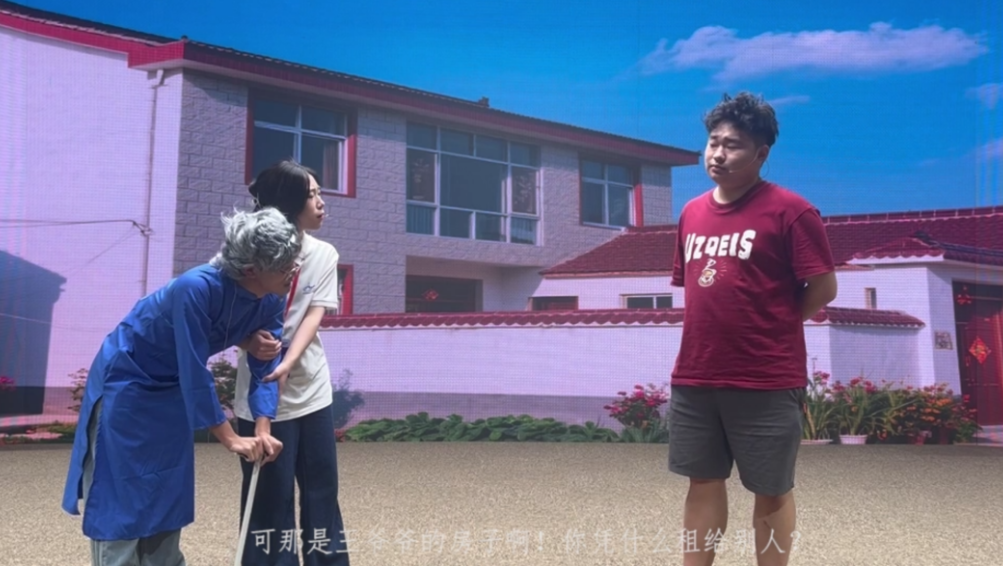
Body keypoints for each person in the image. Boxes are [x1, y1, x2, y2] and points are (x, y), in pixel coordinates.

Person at [61, 207, 301, 566]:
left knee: (166, 491)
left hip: (172, 388)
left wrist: (263, 428)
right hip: (127, 383)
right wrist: (230, 438)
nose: (293, 270)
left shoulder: (271, 297)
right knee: (121, 494)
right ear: (252, 269)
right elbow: (193, 367)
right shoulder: (196, 287)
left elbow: (266, 364)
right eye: (284, 265)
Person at [668, 92, 838, 566]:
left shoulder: (791, 211)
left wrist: (774, 324)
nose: (718, 154)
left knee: (771, 488)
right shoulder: (691, 213)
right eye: (713, 142)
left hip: (766, 378)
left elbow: (823, 288)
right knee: (702, 481)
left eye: (733, 145)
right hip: (697, 375)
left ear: (761, 154)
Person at [233, 160, 350, 565]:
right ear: (287, 204)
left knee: (322, 493)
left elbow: (314, 315)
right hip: (261, 394)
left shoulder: (324, 253)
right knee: (269, 500)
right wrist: (250, 341)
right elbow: (224, 317)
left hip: (311, 392)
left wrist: (288, 361)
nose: (321, 203)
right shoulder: (244, 253)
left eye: (319, 193)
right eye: (311, 195)